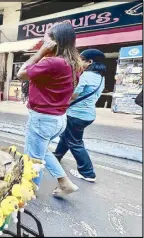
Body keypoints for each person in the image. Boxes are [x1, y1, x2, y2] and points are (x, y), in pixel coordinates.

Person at [17, 22, 82, 196]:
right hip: (58, 118)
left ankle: (30, 191)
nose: (42, 40)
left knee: (34, 159)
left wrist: (40, 53)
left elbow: (21, 74)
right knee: (42, 151)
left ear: (54, 41)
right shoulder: (73, 63)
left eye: (45, 38)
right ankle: (64, 182)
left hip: (43, 119)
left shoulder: (53, 62)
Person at [53, 49, 106, 183]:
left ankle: (87, 172)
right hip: (88, 114)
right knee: (66, 136)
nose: (79, 61)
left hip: (77, 115)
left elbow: (74, 95)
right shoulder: (101, 77)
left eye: (81, 59)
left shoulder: (87, 76)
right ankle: (56, 157)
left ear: (89, 62)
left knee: (75, 143)